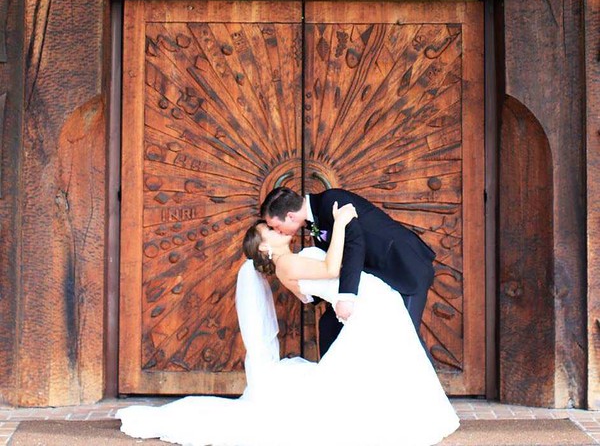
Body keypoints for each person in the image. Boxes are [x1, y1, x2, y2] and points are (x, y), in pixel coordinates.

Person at [117, 202, 459, 446]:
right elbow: (330, 269)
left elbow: (319, 281)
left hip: (372, 302)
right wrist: (339, 225)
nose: (275, 228)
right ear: (264, 248)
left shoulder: (291, 262)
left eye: (271, 224)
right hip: (369, 305)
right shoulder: (286, 267)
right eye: (268, 229)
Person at [260, 187, 436, 355]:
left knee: (405, 340)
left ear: (290, 216)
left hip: (404, 267)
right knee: (329, 326)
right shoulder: (313, 223)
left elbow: (355, 244)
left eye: (275, 226)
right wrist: (304, 290)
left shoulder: (333, 200)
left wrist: (347, 297)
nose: (278, 231)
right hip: (378, 279)